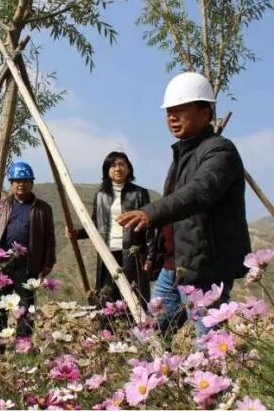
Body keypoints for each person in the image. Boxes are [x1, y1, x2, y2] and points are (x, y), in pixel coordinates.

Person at [117, 72, 251, 337]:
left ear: (205, 112)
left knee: (208, 342)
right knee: (152, 335)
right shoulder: (181, 155)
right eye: (169, 112)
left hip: (204, 270)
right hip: (173, 268)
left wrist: (150, 212)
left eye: (180, 110)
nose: (172, 118)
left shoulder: (220, 151)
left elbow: (198, 193)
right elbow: (176, 216)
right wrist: (156, 255)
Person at [68, 152, 155, 312]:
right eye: (113, 165)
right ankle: (109, 326)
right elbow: (95, 225)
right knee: (107, 296)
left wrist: (150, 255)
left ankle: (134, 326)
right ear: (107, 170)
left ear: (128, 169)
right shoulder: (100, 195)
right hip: (107, 251)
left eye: (122, 164)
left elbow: (148, 226)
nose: (117, 169)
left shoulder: (140, 193)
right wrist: (77, 234)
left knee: (133, 296)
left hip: (132, 252)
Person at [0, 162, 56, 338]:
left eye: (26, 180)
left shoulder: (43, 208)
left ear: (32, 183)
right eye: (17, 181)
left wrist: (48, 263)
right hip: (4, 263)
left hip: (28, 265)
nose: (21, 184)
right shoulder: (2, 206)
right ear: (11, 184)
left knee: (26, 307)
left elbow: (50, 238)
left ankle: (23, 343)